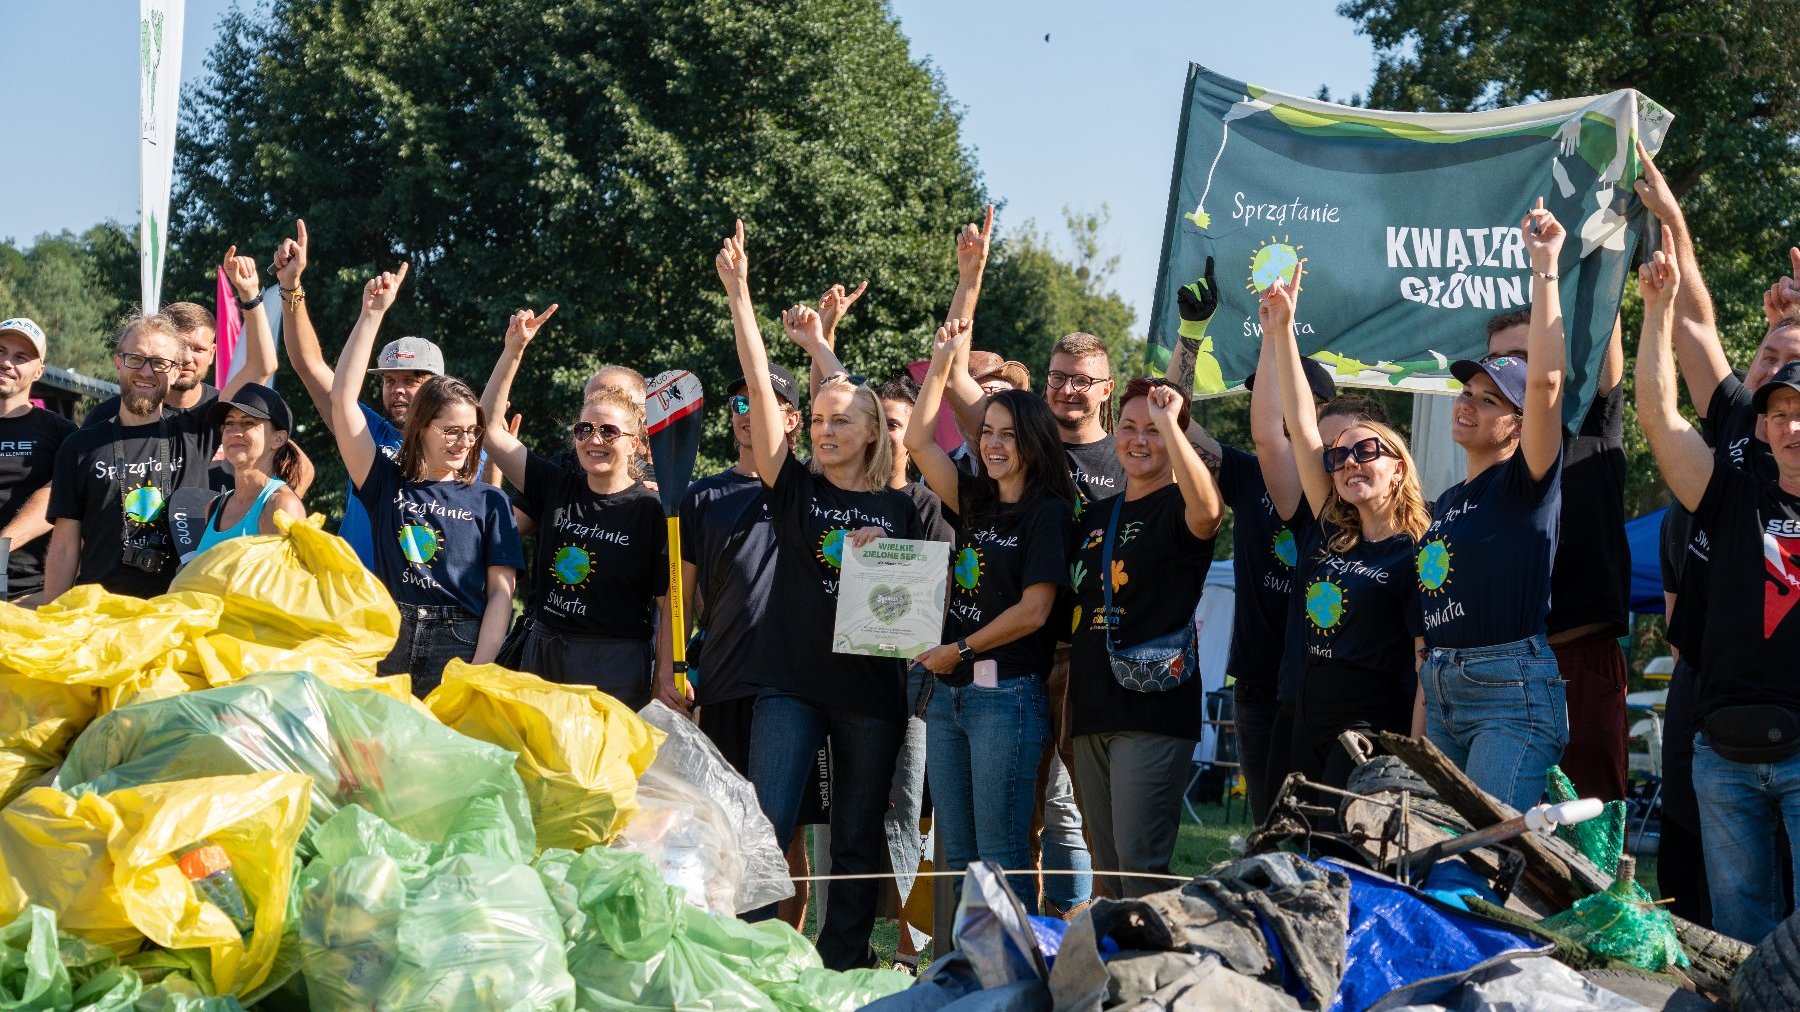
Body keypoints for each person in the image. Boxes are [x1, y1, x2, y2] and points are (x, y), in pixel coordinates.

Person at [716, 219, 919, 970]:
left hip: (871, 691)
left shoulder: (902, 504)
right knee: (766, 824)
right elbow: (774, 402)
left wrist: (888, 566)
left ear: (873, 436)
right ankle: (752, 958)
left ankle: (842, 963)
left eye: (843, 422)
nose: (826, 430)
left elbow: (910, 610)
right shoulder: (792, 487)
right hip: (790, 685)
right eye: (820, 421)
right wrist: (741, 295)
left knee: (860, 832)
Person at [1636, 227, 1800, 944]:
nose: (1791, 429)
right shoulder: (1727, 494)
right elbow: (1658, 418)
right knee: (1741, 942)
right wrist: (1655, 315)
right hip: (1723, 753)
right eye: (1780, 415)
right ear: (1762, 427)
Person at [940, 208, 1095, 913]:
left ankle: (1046, 951)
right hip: (984, 671)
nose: (1067, 389)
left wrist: (961, 645)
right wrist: (968, 284)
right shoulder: (993, 476)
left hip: (1057, 667)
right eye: (1058, 376)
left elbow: (1038, 607)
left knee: (1047, 826)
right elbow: (943, 407)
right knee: (983, 843)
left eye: (1082, 380)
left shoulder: (1090, 477)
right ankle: (985, 967)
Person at [905, 316, 1074, 911]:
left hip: (1007, 695)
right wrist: (943, 361)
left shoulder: (1049, 513)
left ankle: (1013, 984)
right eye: (987, 434)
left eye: (1007, 435)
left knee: (1002, 854)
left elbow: (1035, 611)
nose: (993, 444)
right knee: (959, 851)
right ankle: (964, 981)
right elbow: (917, 443)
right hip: (949, 697)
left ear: (1033, 442)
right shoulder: (974, 501)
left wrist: (963, 650)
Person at [1414, 199, 1569, 813]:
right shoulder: (1449, 501)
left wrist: (1545, 268)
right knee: (1439, 853)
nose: (1467, 404)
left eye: (1489, 400)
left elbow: (1548, 385)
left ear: (1518, 424)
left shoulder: (1525, 482)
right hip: (1445, 686)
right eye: (1466, 392)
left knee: (1482, 864)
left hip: (1510, 693)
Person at [1257, 266, 1428, 790]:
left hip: (1367, 729)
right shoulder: (1333, 528)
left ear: (1398, 465)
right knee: (1282, 846)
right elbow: (1303, 428)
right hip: (1302, 715)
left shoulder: (1418, 553)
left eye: (1366, 450)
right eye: (1340, 456)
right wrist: (1282, 329)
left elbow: (1425, 665)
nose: (1350, 462)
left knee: (1338, 853)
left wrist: (1419, 760)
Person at [329, 261, 522, 695]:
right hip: (387, 635)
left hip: (459, 646)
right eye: (451, 431)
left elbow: (501, 595)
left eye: (472, 432)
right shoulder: (384, 480)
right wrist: (371, 314)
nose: (464, 442)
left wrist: (479, 670)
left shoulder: (490, 503)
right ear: (421, 428)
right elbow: (342, 399)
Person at [1067, 377, 1223, 898]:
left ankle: (1158, 973)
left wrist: (1172, 426)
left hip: (1153, 709)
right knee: (1106, 869)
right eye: (1129, 427)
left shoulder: (1182, 506)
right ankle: (1115, 976)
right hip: (1092, 705)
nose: (1139, 440)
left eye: (1154, 431)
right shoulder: (1095, 515)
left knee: (1140, 863)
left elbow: (1210, 512)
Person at [45, 249, 275, 601]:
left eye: (159, 363)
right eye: (135, 359)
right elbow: (64, 548)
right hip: (98, 617)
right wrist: (51, 620)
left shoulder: (197, 428)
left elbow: (261, 366)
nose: (147, 371)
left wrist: (250, 296)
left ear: (173, 369)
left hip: (175, 616)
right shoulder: (80, 446)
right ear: (118, 363)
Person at [479, 304, 671, 709]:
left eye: (609, 431)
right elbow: (490, 428)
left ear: (637, 441)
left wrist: (662, 680)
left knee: (597, 773)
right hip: (543, 651)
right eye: (584, 429)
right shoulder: (554, 483)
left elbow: (668, 604)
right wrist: (513, 350)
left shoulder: (653, 510)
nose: (594, 439)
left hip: (615, 663)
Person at [1483, 309, 1631, 803]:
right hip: (1502, 667)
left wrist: (1610, 242)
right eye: (1498, 358)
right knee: (1503, 822)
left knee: (1586, 822)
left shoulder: (1589, 419)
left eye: (1524, 356)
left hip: (1578, 660)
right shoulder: (1487, 458)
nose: (1510, 369)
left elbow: (1607, 340)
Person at [271, 219, 452, 570]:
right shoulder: (367, 430)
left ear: (438, 387)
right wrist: (291, 287)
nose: (398, 389)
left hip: (432, 611)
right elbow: (308, 364)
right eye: (389, 381)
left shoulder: (462, 443)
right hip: (355, 601)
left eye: (412, 380)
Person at [80, 293, 275, 426]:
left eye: (198, 349)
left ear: (212, 354)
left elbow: (263, 366)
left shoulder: (219, 412)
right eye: (180, 348)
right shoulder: (108, 416)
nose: (187, 358)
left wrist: (250, 297)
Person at [0, 318, 76, 603]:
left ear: (39, 371)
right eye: (1, 351)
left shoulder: (63, 434)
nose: (7, 362)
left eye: (21, 357)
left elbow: (68, 503)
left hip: (29, 593)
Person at [190, 383, 307, 556]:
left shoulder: (280, 506)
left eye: (248, 422)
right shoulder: (214, 507)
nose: (234, 432)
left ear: (278, 439)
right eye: (229, 423)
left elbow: (291, 581)